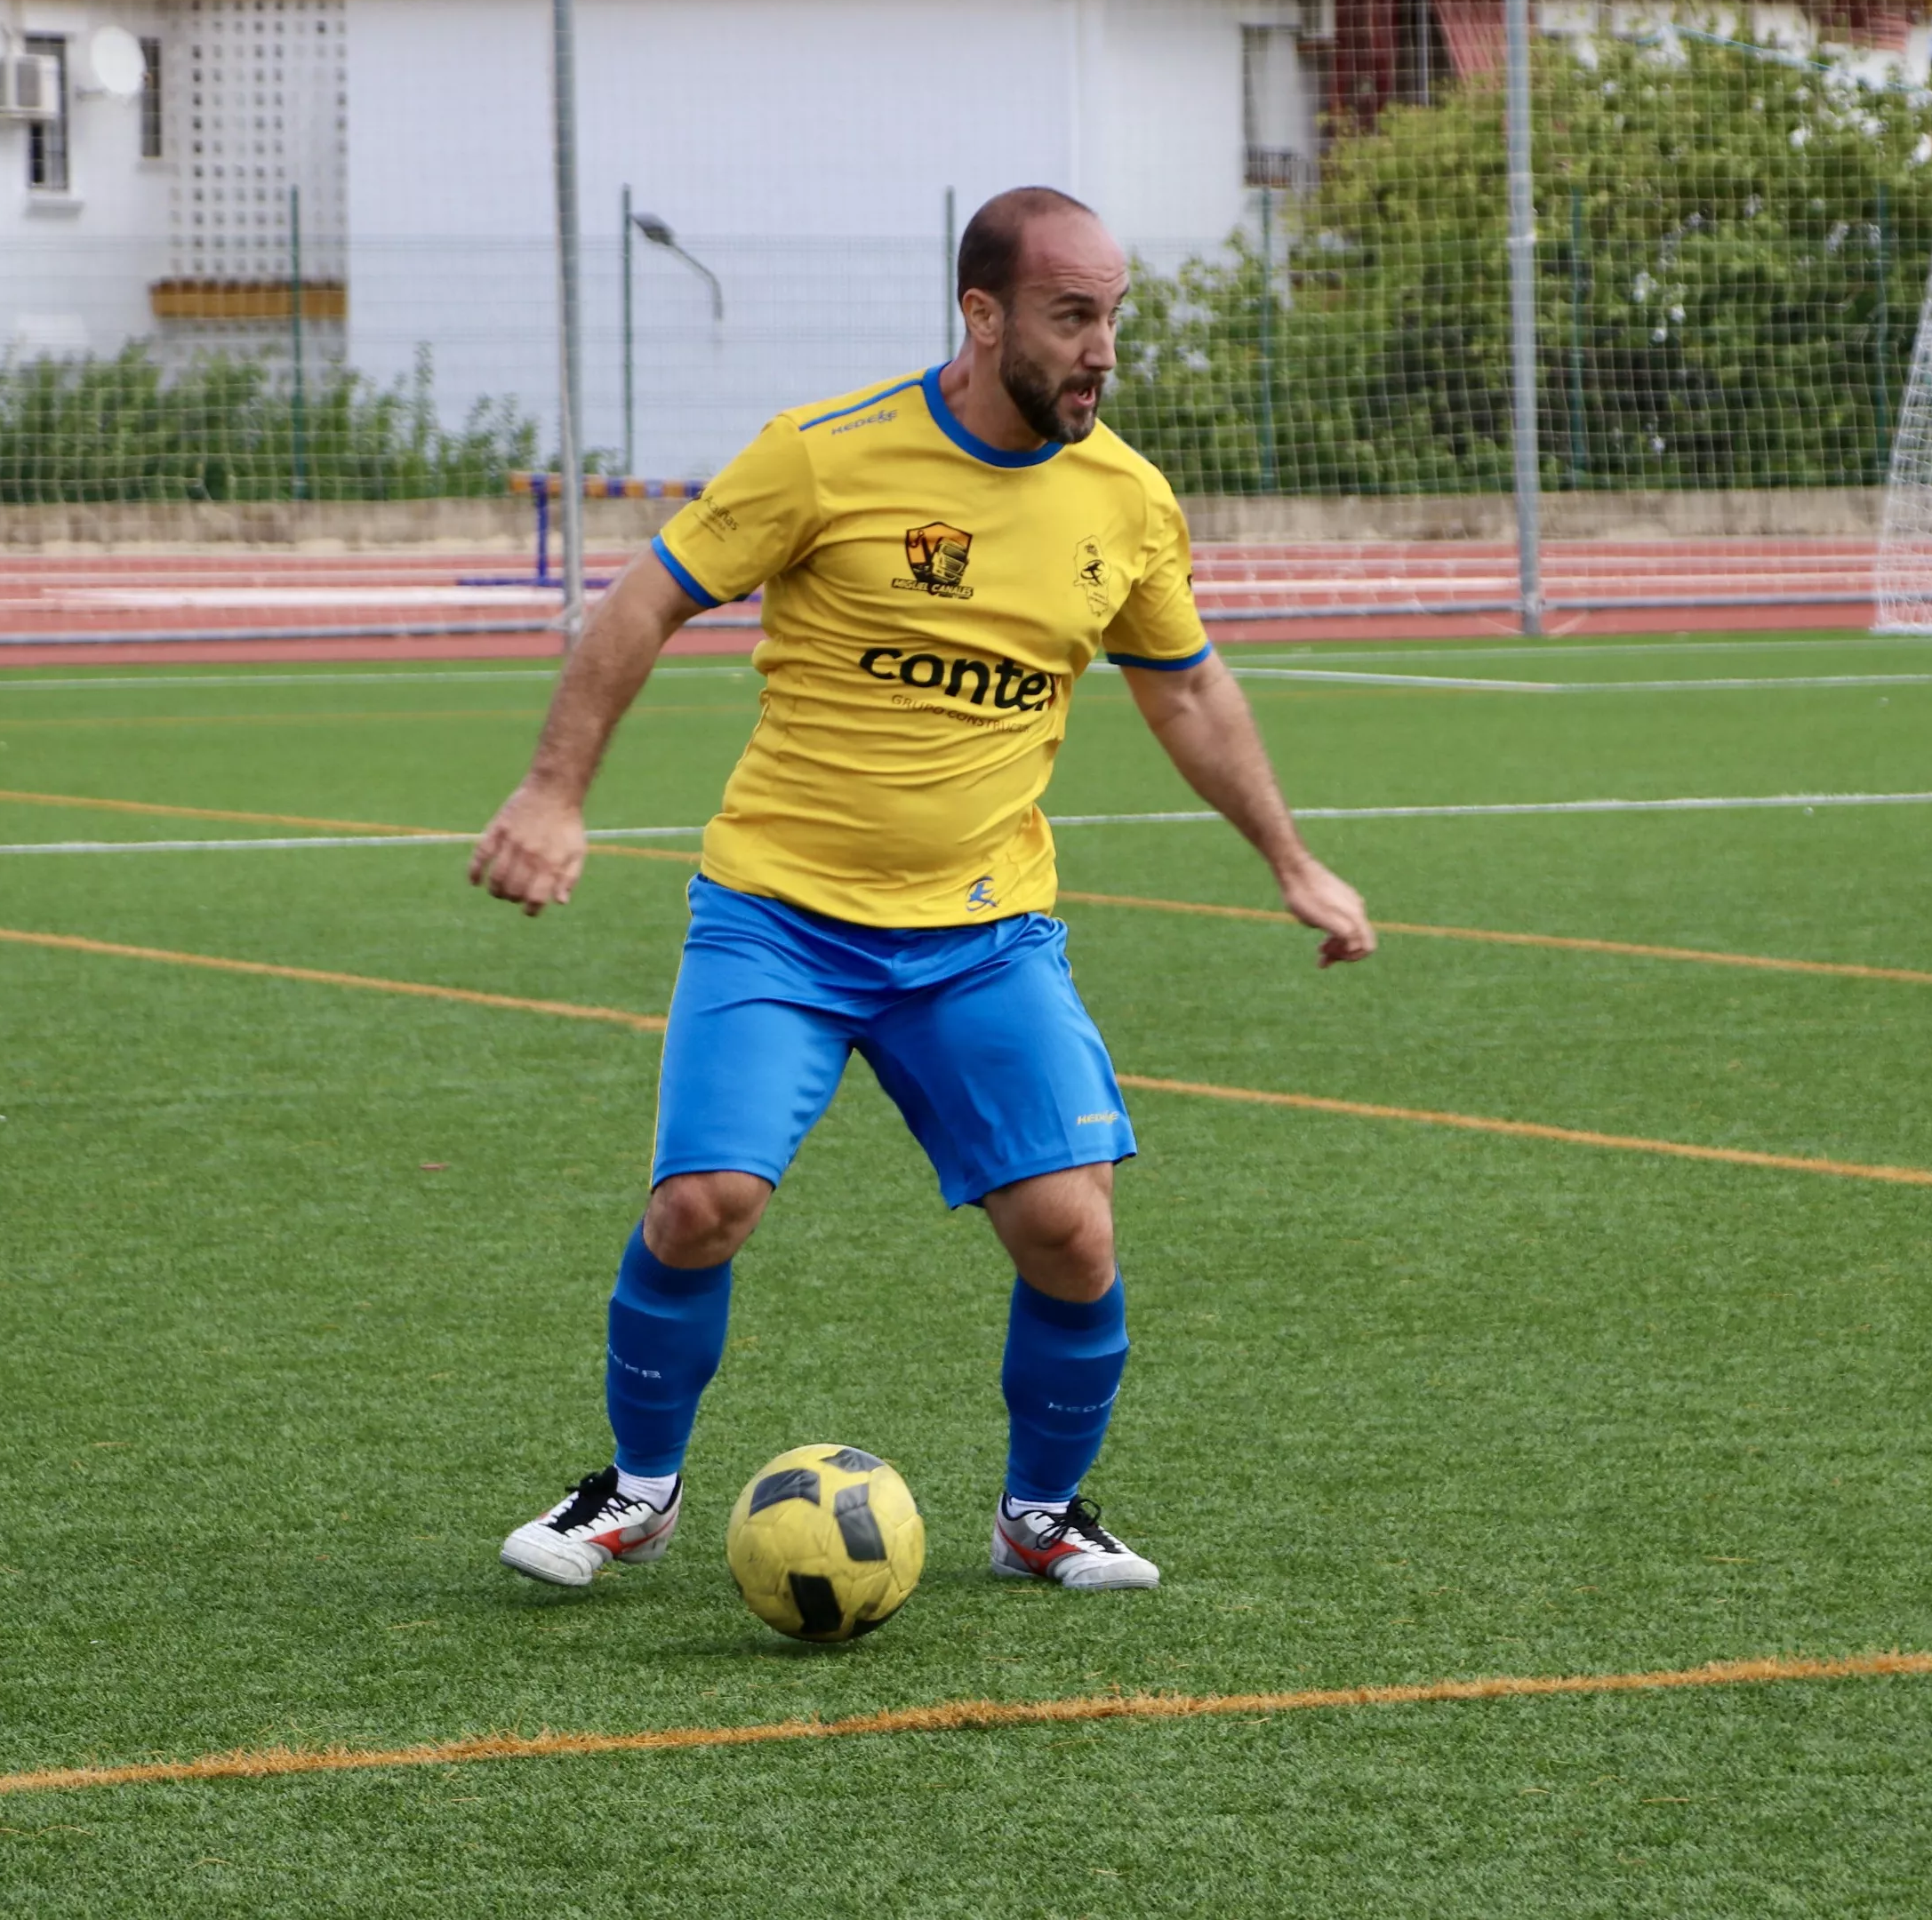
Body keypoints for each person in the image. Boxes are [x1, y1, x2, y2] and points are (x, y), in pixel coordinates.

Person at [469, 187, 1375, 1596]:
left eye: (1114, 318)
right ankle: (637, 1488)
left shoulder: (1124, 500)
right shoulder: (824, 458)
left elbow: (1187, 687)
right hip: (779, 913)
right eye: (1074, 317)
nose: (1103, 351)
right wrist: (551, 792)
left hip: (983, 934)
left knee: (1072, 1231)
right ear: (982, 313)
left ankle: (1042, 1513)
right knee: (702, 1203)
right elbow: (643, 599)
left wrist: (1292, 859)